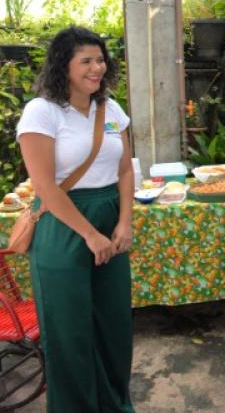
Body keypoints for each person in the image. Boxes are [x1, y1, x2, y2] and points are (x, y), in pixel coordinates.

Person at [17, 26, 135, 412]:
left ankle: (115, 405)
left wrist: (124, 222)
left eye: (100, 60)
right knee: (68, 332)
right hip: (63, 224)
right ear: (62, 66)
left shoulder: (111, 109)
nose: (97, 68)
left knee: (114, 326)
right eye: (86, 61)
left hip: (109, 217)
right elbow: (45, 186)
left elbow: (125, 170)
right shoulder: (42, 112)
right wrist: (89, 234)